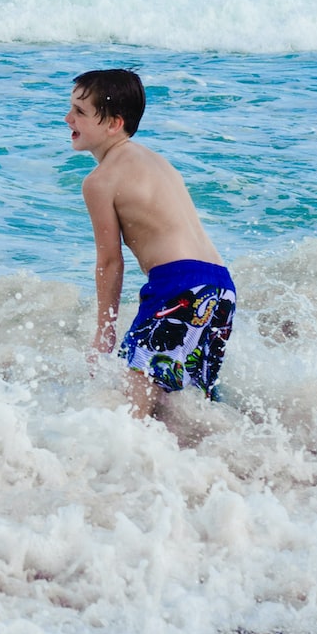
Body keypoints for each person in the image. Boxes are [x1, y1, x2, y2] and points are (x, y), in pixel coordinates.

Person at [66, 69, 235, 417]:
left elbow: (110, 262)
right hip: (220, 287)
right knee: (188, 405)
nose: (68, 118)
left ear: (114, 123)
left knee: (136, 406)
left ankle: (130, 469)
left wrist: (105, 332)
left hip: (178, 288)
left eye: (80, 112)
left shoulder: (100, 181)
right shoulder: (159, 162)